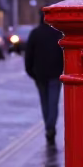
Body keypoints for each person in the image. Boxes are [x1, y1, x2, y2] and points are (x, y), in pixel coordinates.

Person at [24, 12, 64, 145]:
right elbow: (64, 55)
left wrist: (31, 72)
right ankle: (50, 127)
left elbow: (28, 55)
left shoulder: (35, 33)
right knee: (53, 103)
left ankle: (49, 127)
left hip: (39, 75)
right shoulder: (57, 34)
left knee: (45, 103)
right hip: (55, 74)